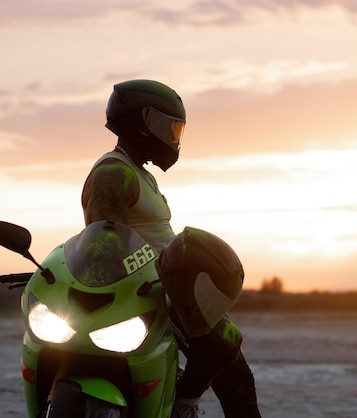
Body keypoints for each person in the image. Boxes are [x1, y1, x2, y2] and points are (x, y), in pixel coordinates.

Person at [81, 79, 261, 418]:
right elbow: (104, 244)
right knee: (225, 345)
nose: (173, 137)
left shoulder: (137, 172)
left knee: (235, 371)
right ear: (143, 122)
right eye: (168, 127)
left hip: (170, 287)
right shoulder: (113, 174)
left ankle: (180, 399)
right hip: (150, 291)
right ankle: (181, 403)